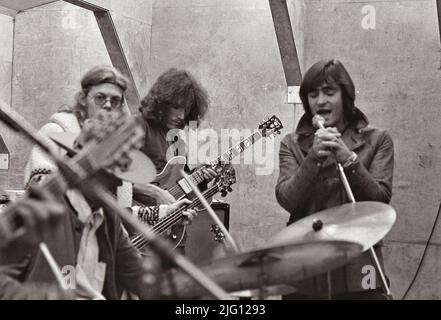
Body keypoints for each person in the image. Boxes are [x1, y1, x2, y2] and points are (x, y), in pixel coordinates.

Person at [275, 59, 394, 299]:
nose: (320, 101)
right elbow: (287, 199)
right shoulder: (292, 144)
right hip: (306, 270)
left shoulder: (378, 140)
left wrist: (349, 159)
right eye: (313, 94)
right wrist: (312, 160)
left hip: (359, 268)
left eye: (329, 92)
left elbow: (380, 199)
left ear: (346, 96)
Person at [134, 68, 218, 253]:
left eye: (186, 110)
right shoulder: (138, 126)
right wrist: (155, 192)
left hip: (172, 233)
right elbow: (112, 180)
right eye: (177, 107)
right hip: (137, 229)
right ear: (161, 102)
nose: (181, 115)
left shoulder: (178, 138)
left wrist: (202, 179)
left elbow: (181, 188)